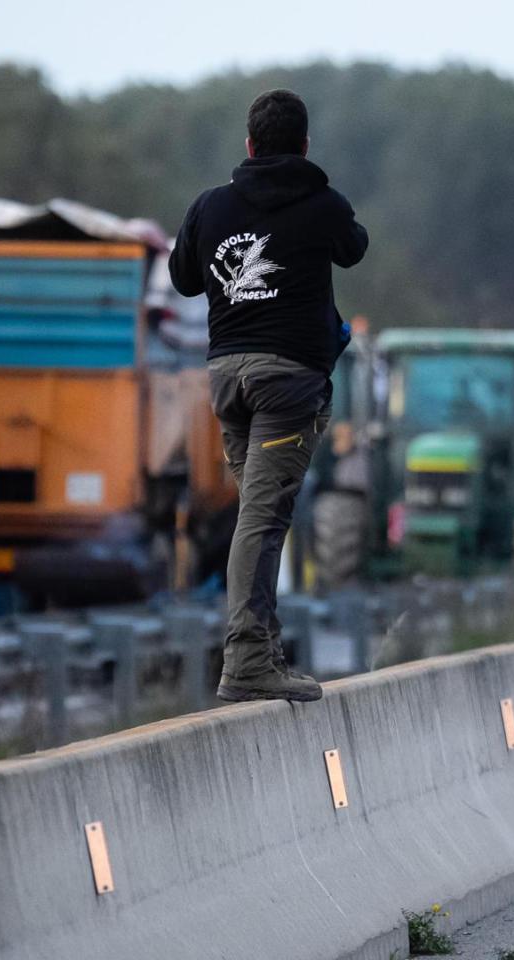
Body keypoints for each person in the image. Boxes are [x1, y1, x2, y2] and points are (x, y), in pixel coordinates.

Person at [168, 89, 369, 702]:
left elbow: (181, 279)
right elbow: (354, 248)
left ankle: (262, 650)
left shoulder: (210, 207)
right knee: (262, 518)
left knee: (260, 518)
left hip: (228, 381)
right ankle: (249, 664)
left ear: (249, 146)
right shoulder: (324, 203)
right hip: (287, 385)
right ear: (305, 145)